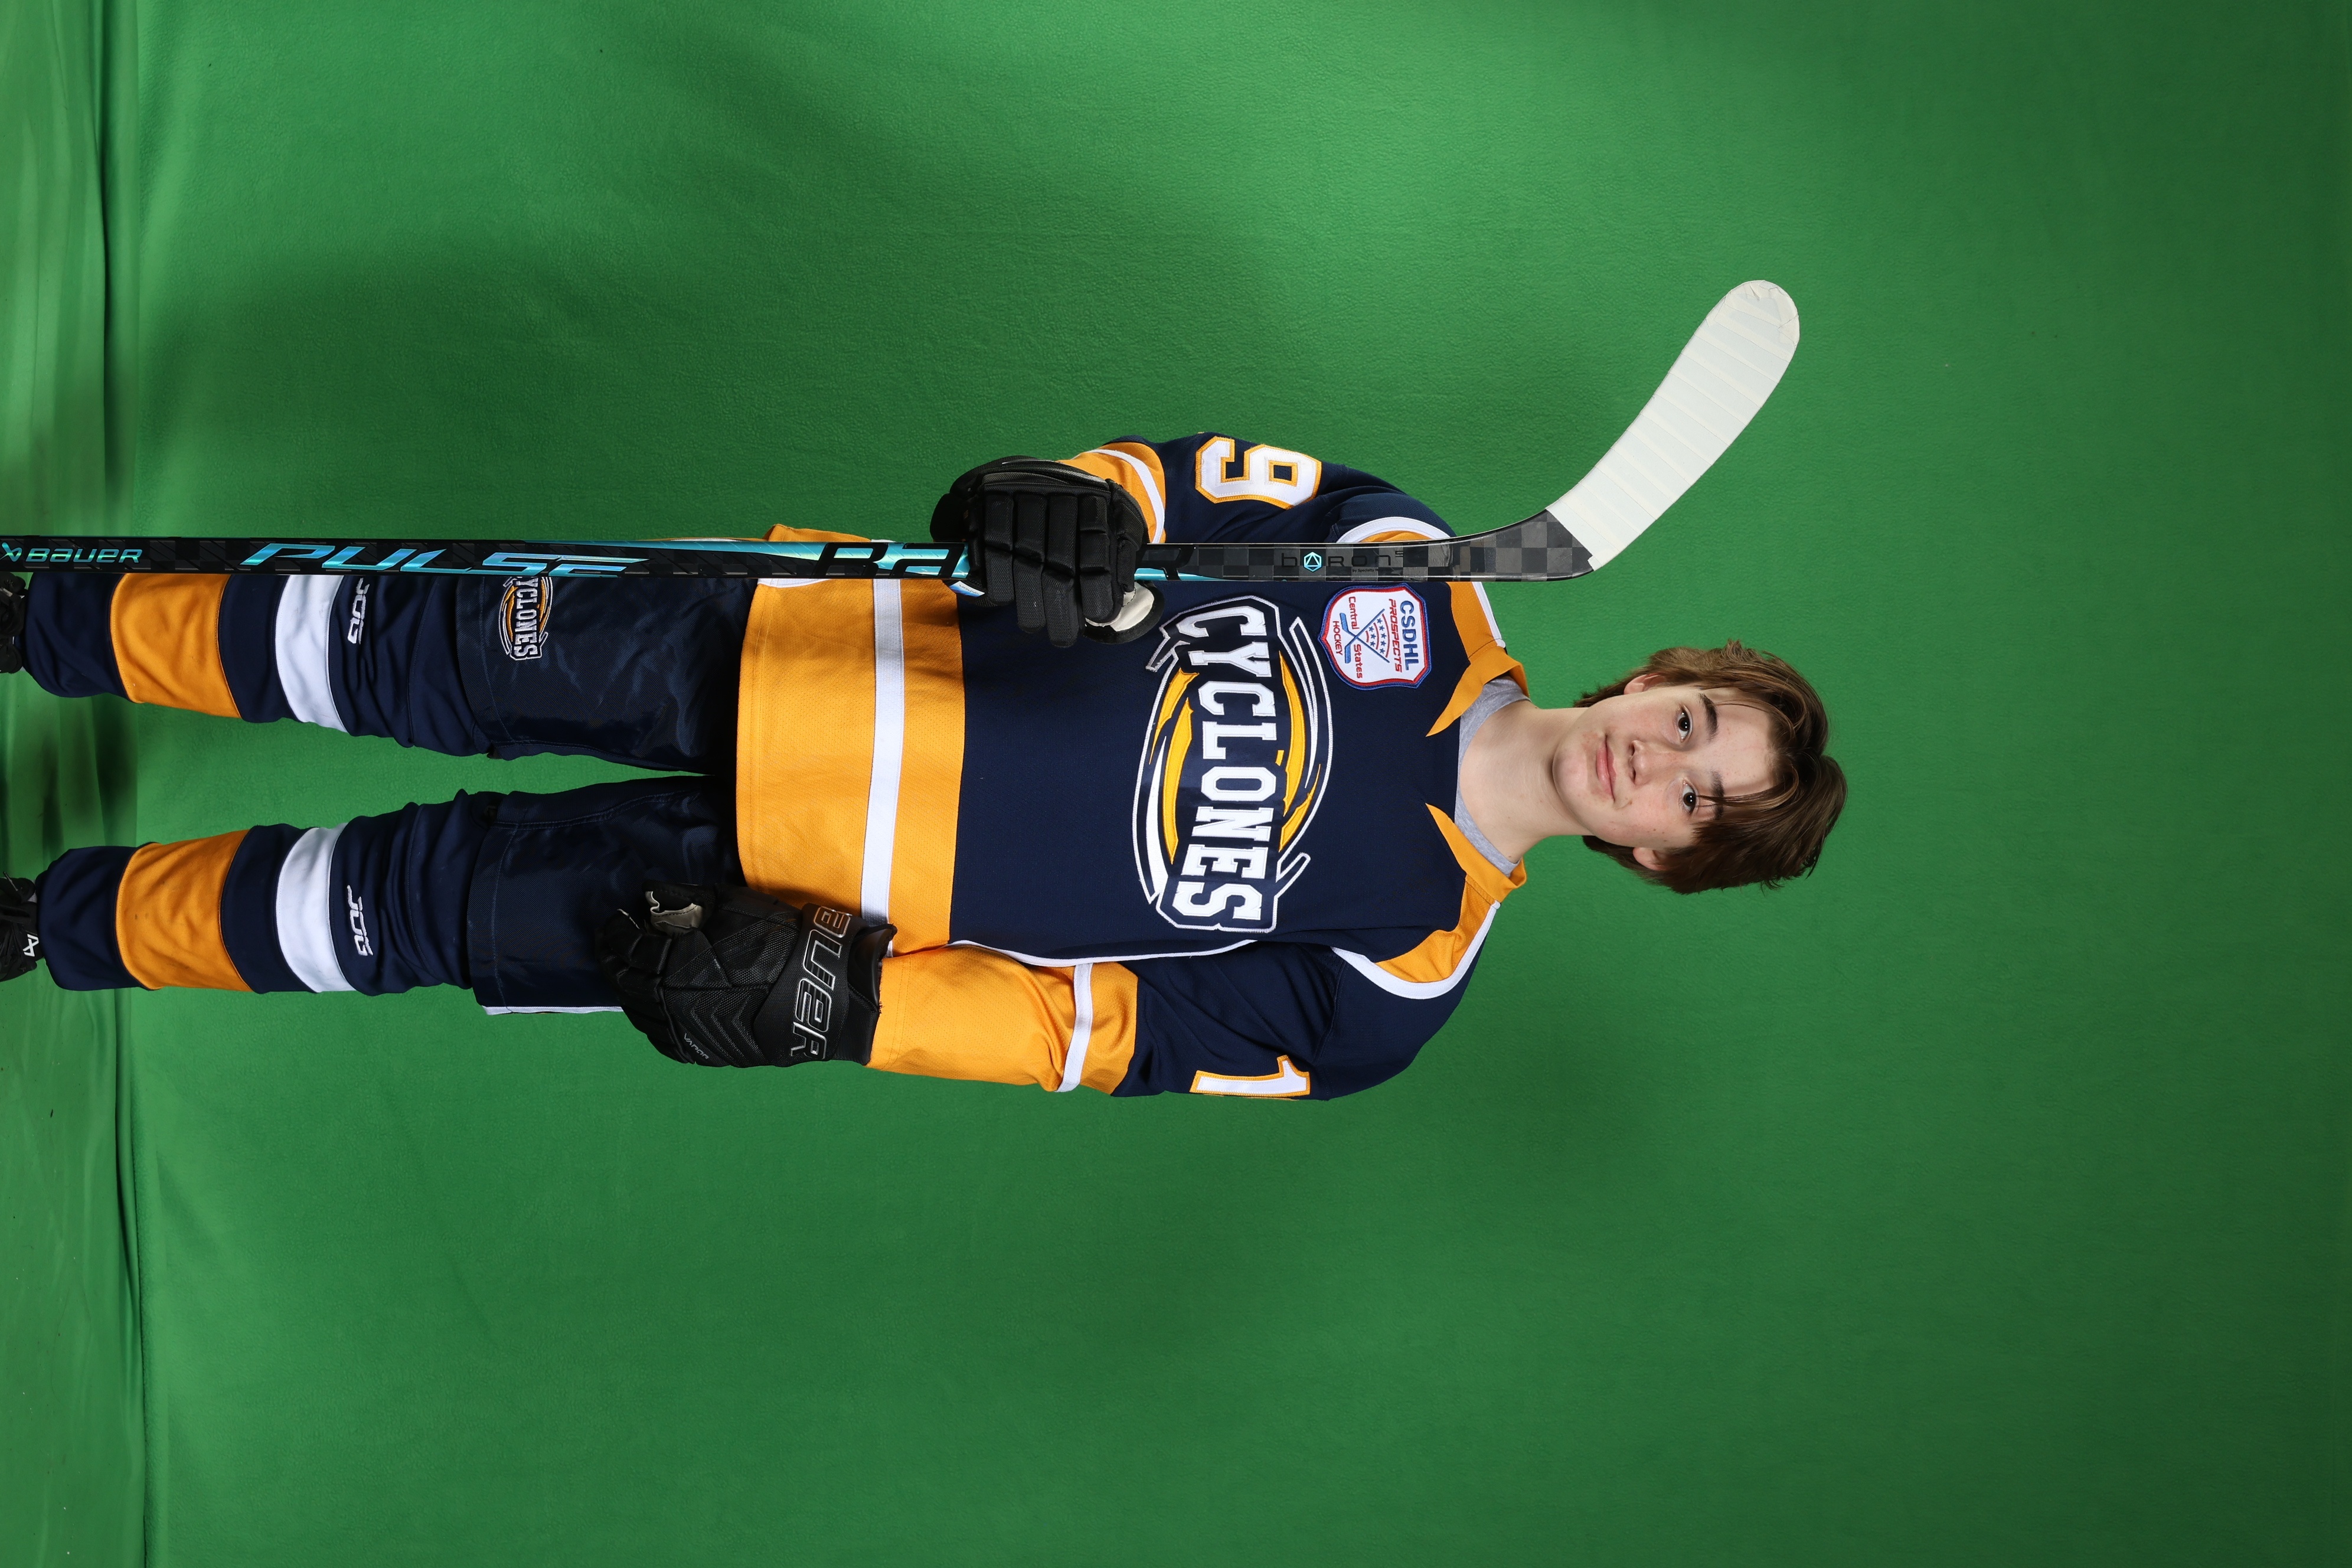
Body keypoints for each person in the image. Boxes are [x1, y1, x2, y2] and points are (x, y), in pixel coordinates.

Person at [0, 435, 1845, 1099]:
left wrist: (845, 1008)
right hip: (793, 646)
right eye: (1696, 722)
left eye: (1703, 800)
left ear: (1670, 861)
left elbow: (1090, 1031)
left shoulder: (1396, 986)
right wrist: (1058, 500)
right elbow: (1160, 487)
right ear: (1662, 675)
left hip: (790, 901)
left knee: (395, 912)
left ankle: (42, 924)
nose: (1664, 764)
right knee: (382, 641)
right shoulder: (1406, 571)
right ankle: (43, 619)